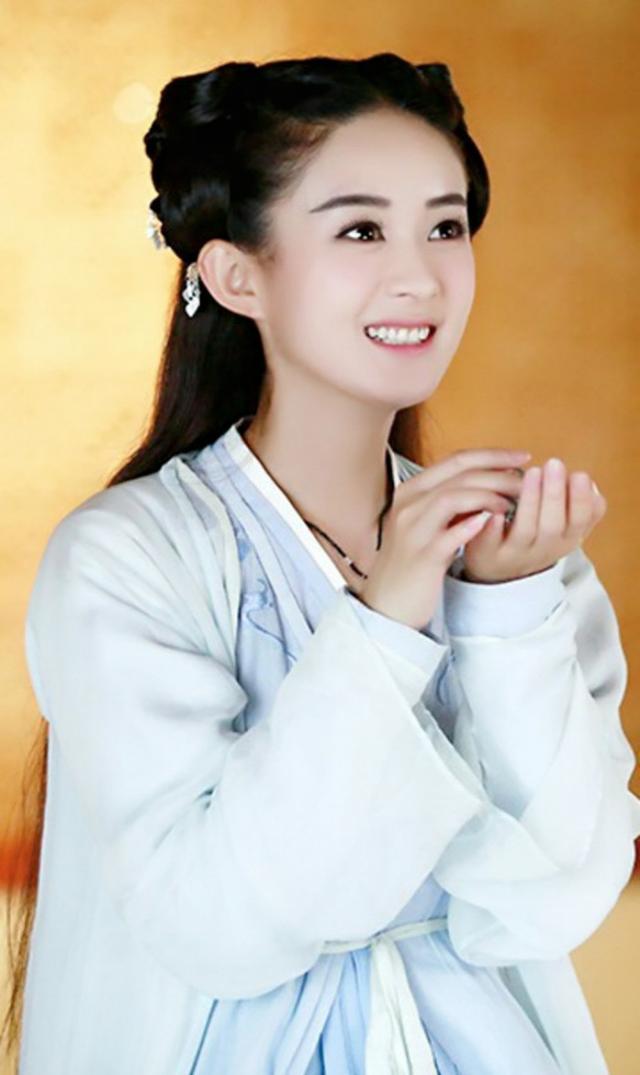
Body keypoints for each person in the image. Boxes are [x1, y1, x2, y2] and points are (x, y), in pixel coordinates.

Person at [5, 52, 640, 1075]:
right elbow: (216, 923)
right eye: (359, 230)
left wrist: (510, 615)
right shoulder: (128, 556)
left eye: (446, 226)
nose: (420, 275)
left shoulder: (511, 553)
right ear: (236, 274)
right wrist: (384, 626)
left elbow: (556, 901)